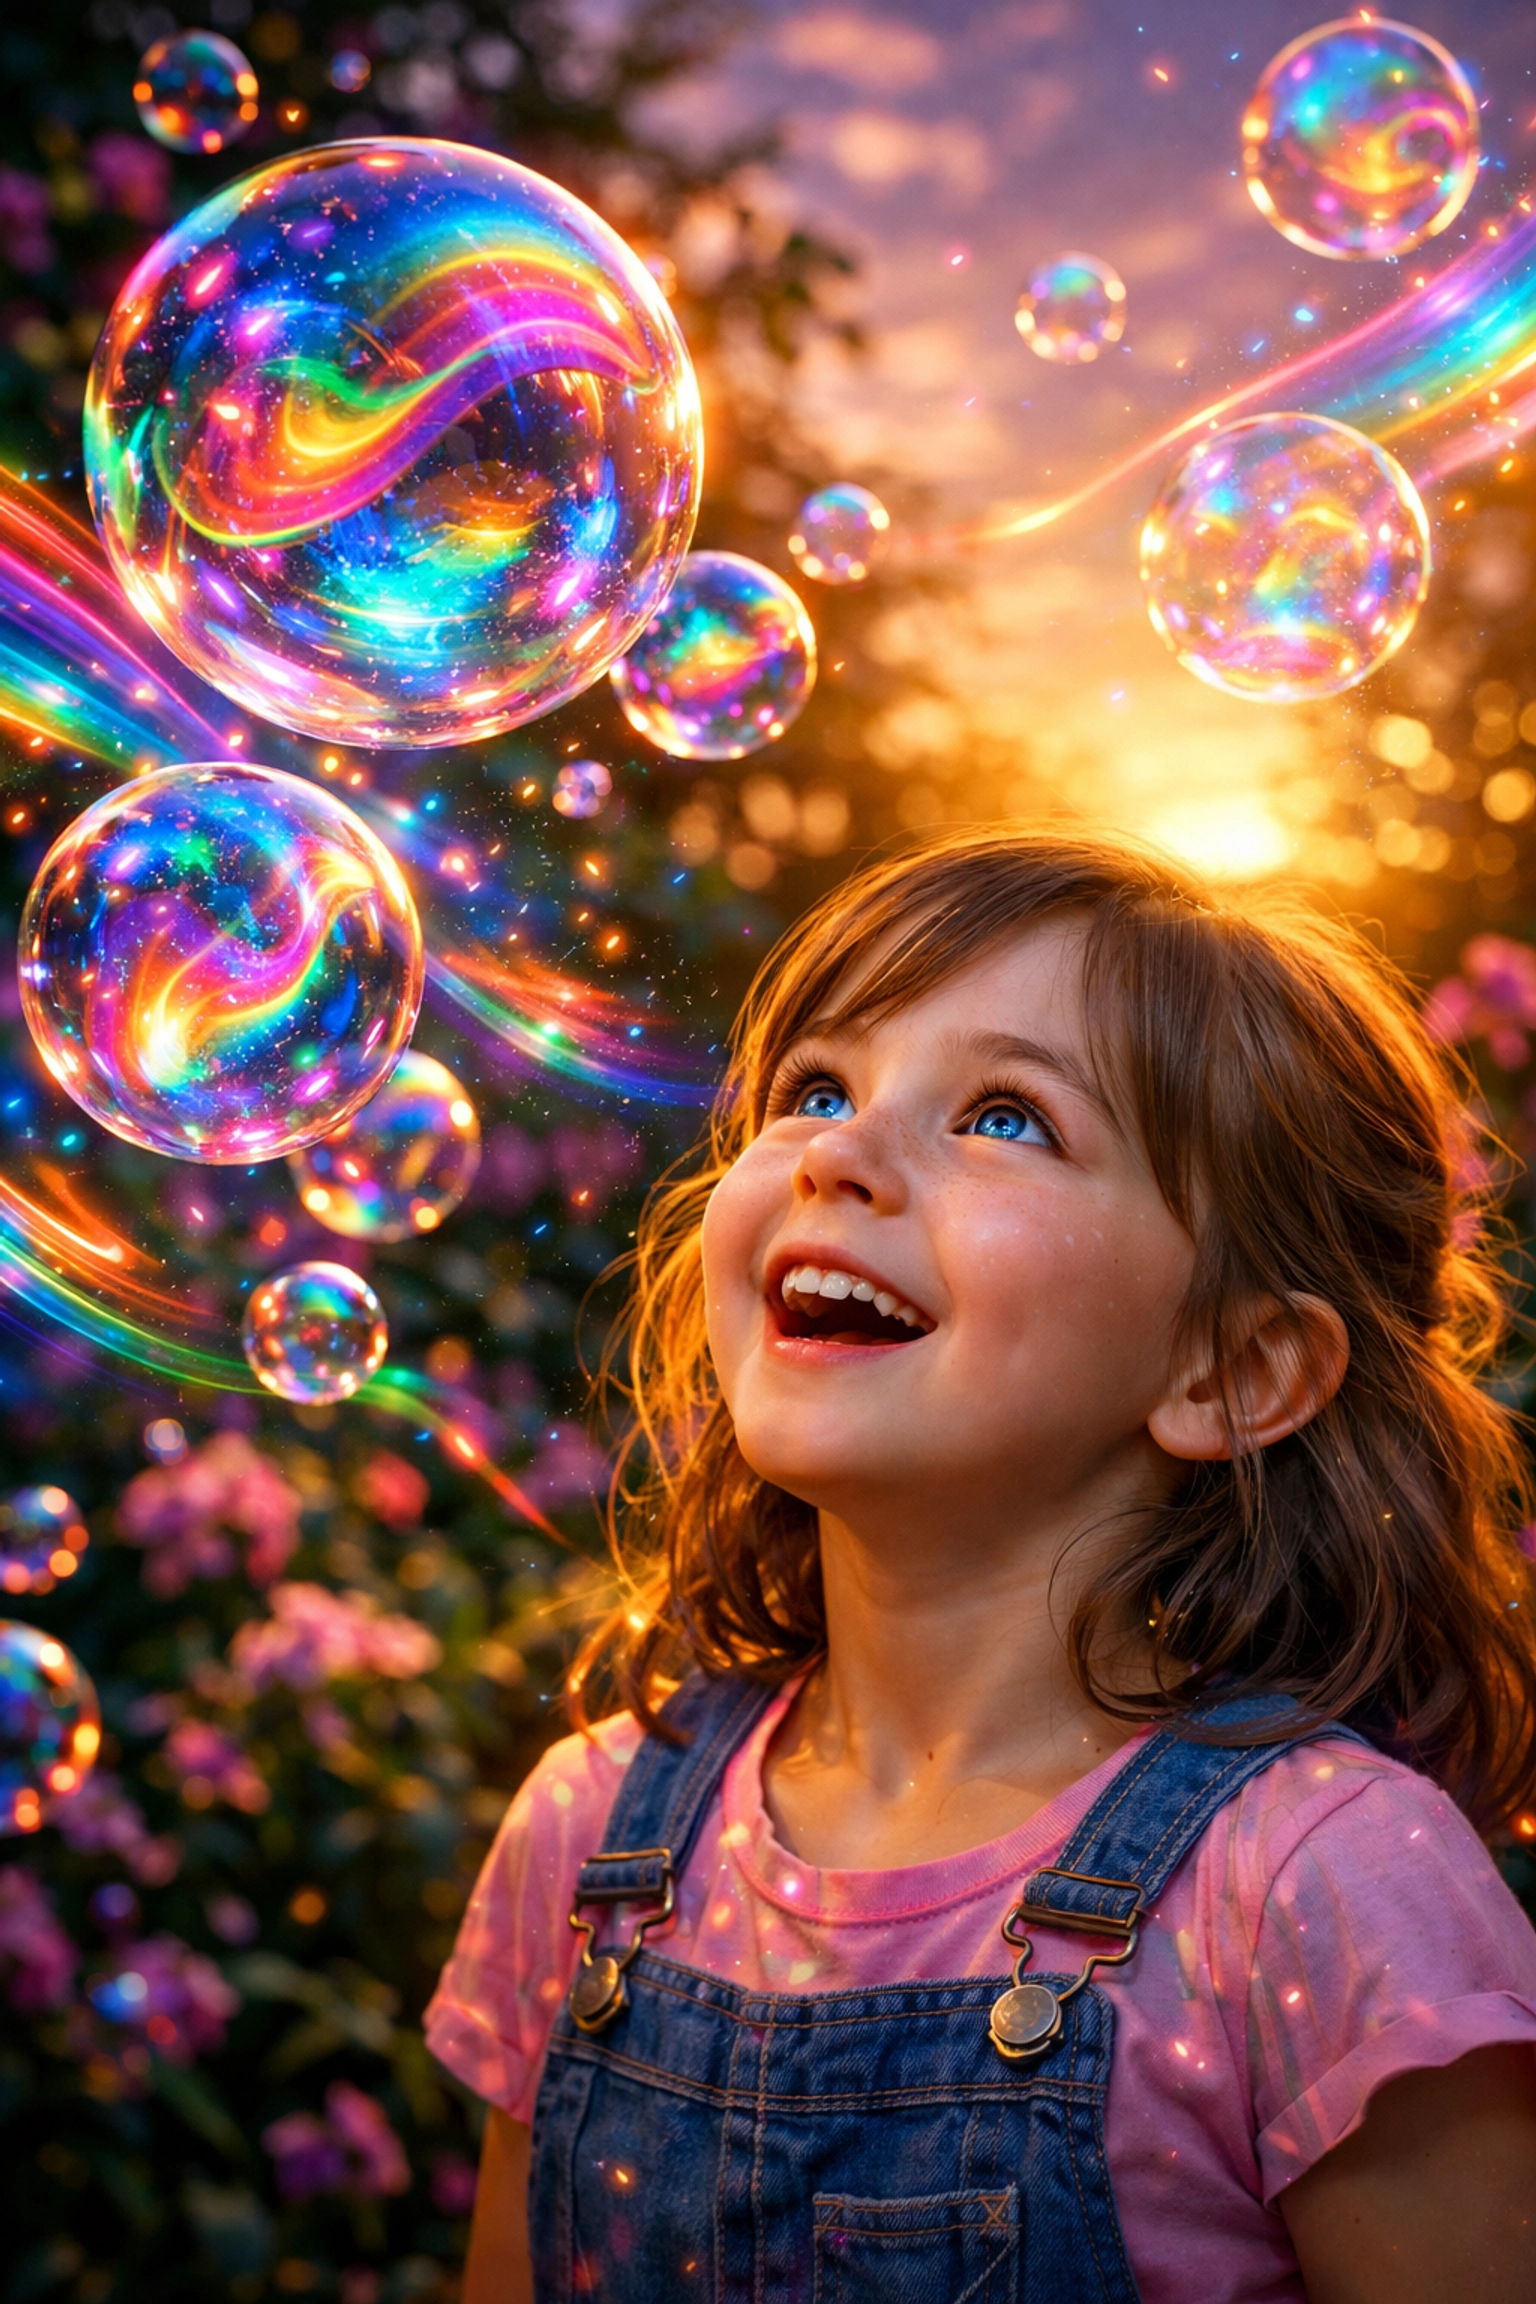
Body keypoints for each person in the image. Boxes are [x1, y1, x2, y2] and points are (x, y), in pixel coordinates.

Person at [426, 829, 1536, 2303]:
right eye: (816, 1087)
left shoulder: (1316, 1890)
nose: (835, 1151)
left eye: (1006, 1117)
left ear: (1235, 1367)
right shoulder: (590, 1842)